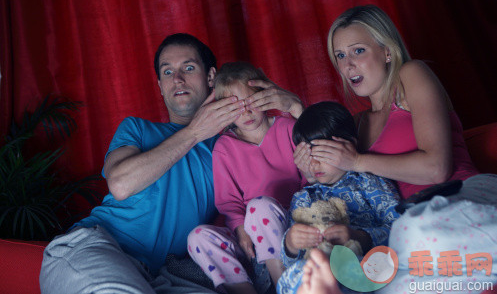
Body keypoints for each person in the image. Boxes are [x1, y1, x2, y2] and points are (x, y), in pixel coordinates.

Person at [39, 33, 302, 294]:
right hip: (98, 247)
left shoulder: (230, 149)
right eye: (167, 72)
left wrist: (295, 106)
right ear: (160, 86)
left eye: (188, 68)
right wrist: (193, 133)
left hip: (164, 276)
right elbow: (119, 184)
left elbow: (300, 172)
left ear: (211, 77)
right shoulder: (136, 129)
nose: (177, 79)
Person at [311, 5, 496, 293]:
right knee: (387, 283)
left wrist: (358, 160)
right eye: (340, 55)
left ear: (387, 51)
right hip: (412, 224)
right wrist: (296, 110)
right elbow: (325, 172)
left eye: (358, 50)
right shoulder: (357, 125)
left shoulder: (411, 76)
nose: (347, 65)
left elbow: (437, 168)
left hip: (464, 195)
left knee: (412, 233)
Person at [187, 62, 308, 294]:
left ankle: (283, 284)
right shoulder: (224, 147)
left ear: (266, 97)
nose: (246, 112)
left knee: (258, 206)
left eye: (252, 102)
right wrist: (240, 229)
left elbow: (310, 177)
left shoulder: (288, 128)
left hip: (291, 223)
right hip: (248, 235)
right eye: (236, 107)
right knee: (198, 237)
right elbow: (228, 202)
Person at [277, 101, 400, 294]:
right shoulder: (304, 197)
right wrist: (291, 242)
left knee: (357, 270)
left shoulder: (369, 182)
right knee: (294, 274)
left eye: (322, 153)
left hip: (362, 263)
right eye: (307, 155)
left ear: (348, 145)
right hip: (314, 266)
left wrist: (358, 236)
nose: (314, 163)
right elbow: (290, 258)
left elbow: (400, 227)